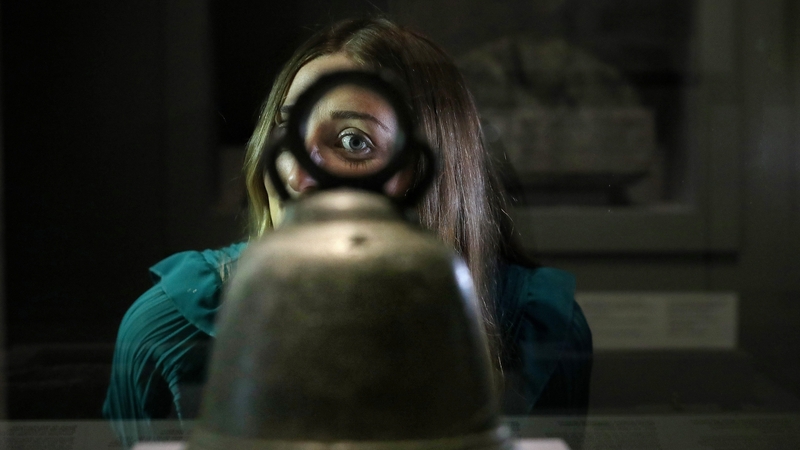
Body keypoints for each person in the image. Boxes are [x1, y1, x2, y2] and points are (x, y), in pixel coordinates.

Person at [103, 17, 592, 446]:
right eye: (287, 128)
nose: (296, 175)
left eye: (353, 141)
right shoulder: (171, 328)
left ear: (423, 174)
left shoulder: (536, 327)